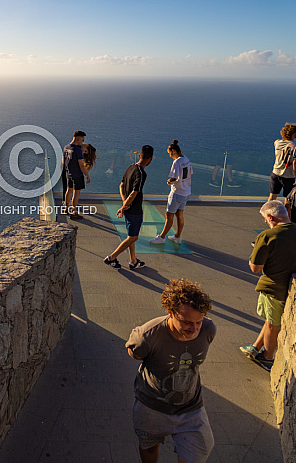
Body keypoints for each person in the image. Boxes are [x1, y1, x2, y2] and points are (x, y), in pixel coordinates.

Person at [126, 278, 217, 463]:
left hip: (191, 408)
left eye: (198, 322)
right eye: (186, 322)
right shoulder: (147, 336)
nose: (194, 329)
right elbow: (134, 352)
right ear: (170, 312)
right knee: (149, 448)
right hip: (151, 407)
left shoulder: (208, 330)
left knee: (199, 452)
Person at [240, 201, 296, 371]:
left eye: (265, 218)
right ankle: (256, 347)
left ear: (270, 217)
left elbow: (255, 268)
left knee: (273, 323)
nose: (265, 222)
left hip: (275, 289)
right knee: (271, 319)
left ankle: (268, 357)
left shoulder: (267, 236)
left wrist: (254, 251)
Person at [104, 145, 153, 271]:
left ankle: (133, 261)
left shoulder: (131, 167)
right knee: (133, 237)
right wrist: (124, 206)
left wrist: (124, 203)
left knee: (131, 235)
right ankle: (111, 258)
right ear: (150, 159)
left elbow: (121, 185)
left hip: (129, 208)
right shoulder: (142, 173)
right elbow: (134, 193)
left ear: (140, 155)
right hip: (135, 209)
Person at [150, 140, 192, 246]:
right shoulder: (186, 159)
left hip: (177, 193)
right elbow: (190, 173)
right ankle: (177, 236)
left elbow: (174, 177)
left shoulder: (177, 162)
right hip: (186, 192)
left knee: (169, 215)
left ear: (173, 151)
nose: (170, 156)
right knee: (180, 214)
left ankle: (162, 237)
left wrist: (169, 181)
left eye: (169, 153)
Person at [268, 123, 296, 201]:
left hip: (275, 173)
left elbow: (277, 141)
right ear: (293, 134)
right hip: (289, 176)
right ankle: (286, 213)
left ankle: (267, 212)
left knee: (272, 197)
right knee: (288, 199)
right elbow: (295, 163)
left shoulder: (277, 143)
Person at [62, 130, 90, 220]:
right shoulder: (77, 150)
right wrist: (87, 175)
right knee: (76, 193)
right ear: (78, 138)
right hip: (77, 174)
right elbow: (81, 165)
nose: (83, 141)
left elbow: (64, 161)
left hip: (68, 173)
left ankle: (66, 209)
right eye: (82, 139)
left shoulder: (66, 147)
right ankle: (74, 213)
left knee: (68, 190)